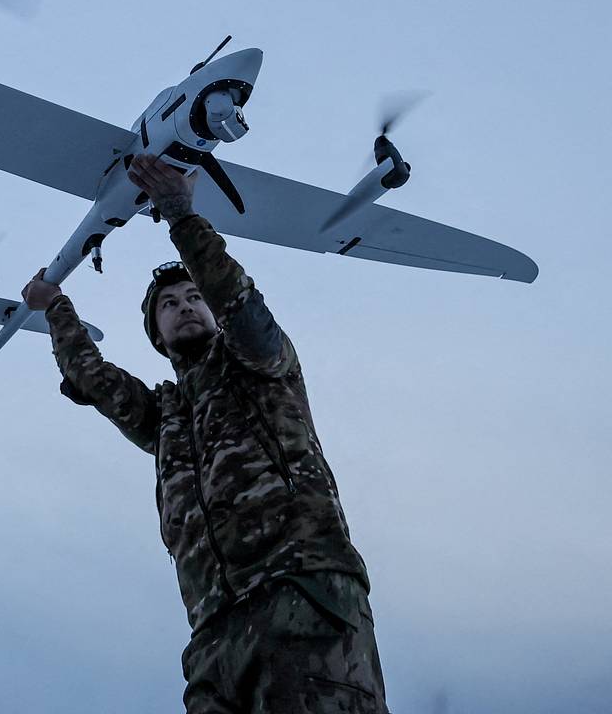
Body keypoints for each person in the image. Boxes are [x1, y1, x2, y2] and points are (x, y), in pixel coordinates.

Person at [22, 153, 388, 713]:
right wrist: (56, 309)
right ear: (157, 335)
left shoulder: (263, 367)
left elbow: (237, 298)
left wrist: (179, 213)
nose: (184, 307)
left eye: (193, 297)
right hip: (213, 635)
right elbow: (92, 379)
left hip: (303, 598)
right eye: (168, 305)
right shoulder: (166, 415)